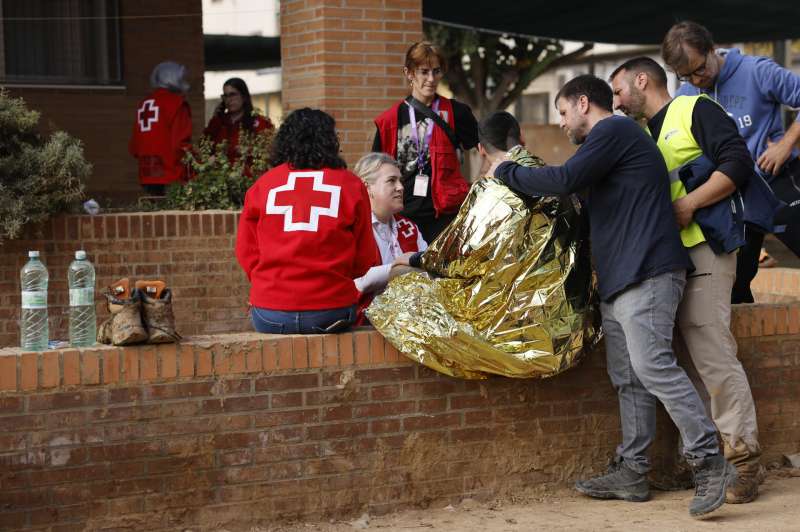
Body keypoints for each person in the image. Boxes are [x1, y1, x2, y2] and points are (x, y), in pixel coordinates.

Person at [492, 75, 735, 517]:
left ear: (584, 103)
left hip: (649, 273)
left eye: (563, 113)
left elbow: (563, 179)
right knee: (629, 377)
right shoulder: (604, 150)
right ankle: (632, 472)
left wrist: (507, 169)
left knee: (653, 366)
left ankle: (710, 459)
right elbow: (577, 205)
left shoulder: (615, 131)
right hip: (621, 281)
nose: (562, 124)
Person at [610, 56, 762, 503]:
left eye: (618, 90)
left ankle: (743, 462)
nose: (616, 102)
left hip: (704, 248)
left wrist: (689, 203)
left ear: (642, 80)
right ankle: (698, 462)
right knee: (677, 356)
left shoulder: (693, 110)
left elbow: (738, 164)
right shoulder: (643, 134)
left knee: (711, 351)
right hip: (665, 259)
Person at [662, 20, 798, 303]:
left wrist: (786, 144)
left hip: (777, 178)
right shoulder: (686, 95)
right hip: (735, 196)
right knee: (735, 283)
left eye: (700, 68)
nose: (697, 80)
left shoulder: (757, 71)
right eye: (687, 76)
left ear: (712, 49)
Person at [234, 108, 378, 334]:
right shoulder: (350, 186)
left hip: (270, 313)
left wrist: (270, 283)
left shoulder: (263, 185)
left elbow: (246, 251)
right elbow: (365, 260)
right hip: (332, 311)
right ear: (330, 140)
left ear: (284, 141)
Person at [373, 41, 479, 243]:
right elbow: (374, 173)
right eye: (424, 72)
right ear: (409, 73)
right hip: (402, 217)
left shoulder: (457, 112)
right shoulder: (388, 121)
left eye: (436, 71)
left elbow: (487, 150)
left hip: (446, 217)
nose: (431, 79)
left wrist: (480, 187)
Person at [352, 153, 427, 302]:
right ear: (367, 188)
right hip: (365, 318)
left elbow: (427, 269)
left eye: (400, 181)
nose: (400, 187)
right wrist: (398, 267)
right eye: (391, 181)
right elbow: (354, 283)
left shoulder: (409, 227)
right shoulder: (353, 228)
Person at [129, 61, 193, 196]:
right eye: (182, 78)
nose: (184, 82)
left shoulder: (144, 104)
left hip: (147, 174)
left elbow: (134, 147)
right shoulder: (177, 103)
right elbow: (180, 145)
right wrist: (197, 165)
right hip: (171, 174)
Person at [204, 77, 274, 164]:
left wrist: (248, 150)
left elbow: (270, 153)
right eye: (225, 96)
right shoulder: (217, 122)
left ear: (244, 96)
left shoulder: (259, 122)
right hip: (219, 174)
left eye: (233, 94)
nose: (229, 100)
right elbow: (204, 148)